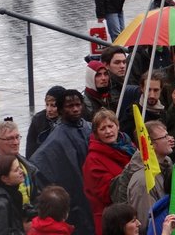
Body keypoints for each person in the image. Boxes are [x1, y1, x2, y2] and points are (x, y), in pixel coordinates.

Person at [31, 90, 95, 235]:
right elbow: (40, 163)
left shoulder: (89, 127)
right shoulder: (57, 137)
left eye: (78, 105)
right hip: (75, 201)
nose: (75, 109)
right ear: (60, 110)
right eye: (70, 106)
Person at [83, 109, 136, 235]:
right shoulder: (93, 160)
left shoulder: (130, 148)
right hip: (111, 221)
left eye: (110, 126)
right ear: (96, 133)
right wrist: (129, 170)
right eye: (102, 129)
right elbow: (108, 194)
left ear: (117, 126)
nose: (108, 131)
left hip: (131, 216)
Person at [126, 120, 173, 230]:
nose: (170, 139)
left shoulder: (167, 166)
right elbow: (147, 223)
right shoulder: (142, 181)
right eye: (165, 137)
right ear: (151, 144)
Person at [0, 154, 27, 235]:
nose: (22, 171)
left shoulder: (14, 194)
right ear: (4, 178)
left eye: (20, 167)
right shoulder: (0, 204)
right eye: (16, 170)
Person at [26, 85, 65, 158]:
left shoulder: (69, 120)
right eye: (47, 105)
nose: (49, 109)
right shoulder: (38, 119)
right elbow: (30, 149)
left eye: (53, 106)